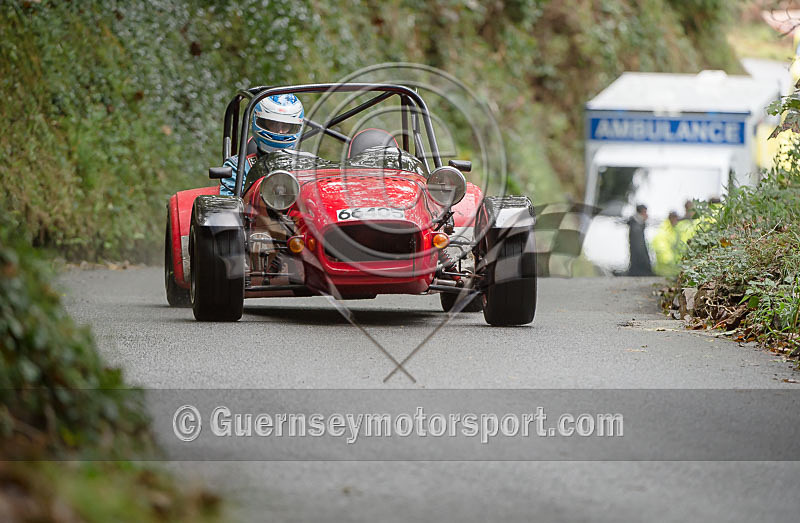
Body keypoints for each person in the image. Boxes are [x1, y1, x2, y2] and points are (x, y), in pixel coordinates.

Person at [219, 93, 305, 195]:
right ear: (261, 122)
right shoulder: (238, 166)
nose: (280, 131)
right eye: (273, 124)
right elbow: (230, 206)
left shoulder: (305, 164)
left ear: (294, 128)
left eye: (285, 126)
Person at [651, 211, 682, 277]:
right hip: (665, 271)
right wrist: (672, 262)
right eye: (675, 219)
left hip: (671, 271)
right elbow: (662, 251)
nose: (676, 221)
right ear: (671, 219)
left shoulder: (673, 229)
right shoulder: (664, 230)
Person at [627, 204, 652, 276]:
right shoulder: (636, 225)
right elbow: (639, 248)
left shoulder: (637, 224)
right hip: (638, 264)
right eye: (645, 212)